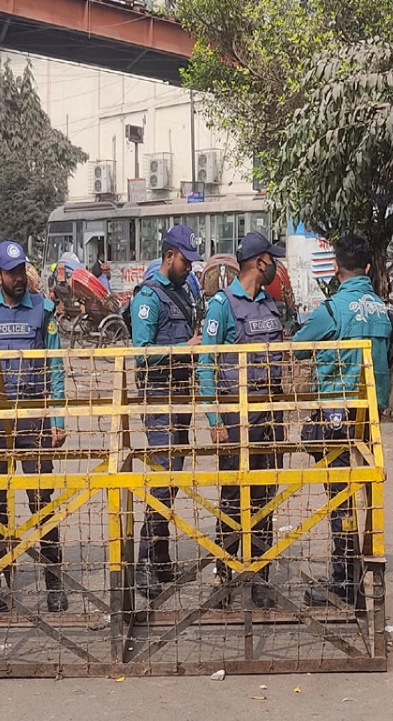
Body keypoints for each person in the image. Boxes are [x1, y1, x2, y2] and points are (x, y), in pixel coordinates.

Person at [0, 240, 69, 613]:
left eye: (22, 270)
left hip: (34, 417)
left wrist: (57, 418)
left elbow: (55, 366)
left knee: (41, 500)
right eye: (11, 272)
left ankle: (54, 582)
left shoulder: (43, 311)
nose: (19, 278)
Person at [292, 234, 392, 607]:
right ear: (368, 267)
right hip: (371, 416)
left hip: (335, 413)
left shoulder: (331, 311)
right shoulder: (383, 309)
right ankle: (359, 572)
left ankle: (344, 581)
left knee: (340, 497)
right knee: (366, 493)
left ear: (335, 268)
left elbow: (299, 348)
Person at [198, 232, 286, 609]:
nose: (278, 267)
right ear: (259, 262)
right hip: (235, 417)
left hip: (269, 414)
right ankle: (225, 573)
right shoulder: (221, 306)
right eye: (274, 260)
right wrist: (214, 418)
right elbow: (206, 364)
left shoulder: (271, 304)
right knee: (234, 497)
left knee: (265, 497)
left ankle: (260, 576)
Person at [130, 224, 201, 598]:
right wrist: (182, 349)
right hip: (158, 398)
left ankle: (159, 555)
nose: (189, 268)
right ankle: (143, 561)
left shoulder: (185, 291)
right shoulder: (148, 298)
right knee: (162, 475)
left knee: (173, 476)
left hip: (181, 396)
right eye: (185, 261)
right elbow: (141, 351)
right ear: (169, 256)